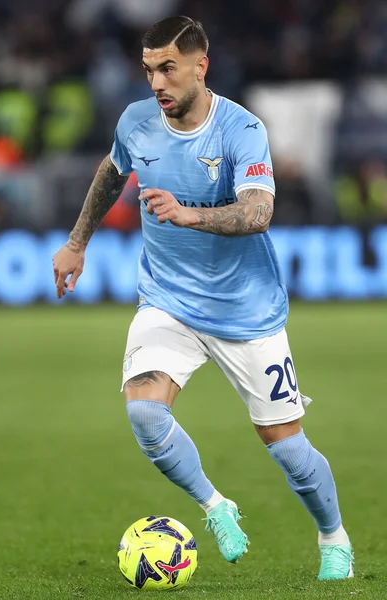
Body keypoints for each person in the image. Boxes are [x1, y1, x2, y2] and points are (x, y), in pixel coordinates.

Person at [53, 16, 354, 580]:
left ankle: (334, 537)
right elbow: (112, 171)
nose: (157, 83)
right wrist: (76, 242)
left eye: (168, 68)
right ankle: (217, 507)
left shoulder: (241, 130)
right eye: (148, 71)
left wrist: (189, 214)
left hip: (247, 311)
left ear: (200, 66)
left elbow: (260, 211)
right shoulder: (137, 121)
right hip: (167, 299)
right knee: (144, 411)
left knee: (287, 448)